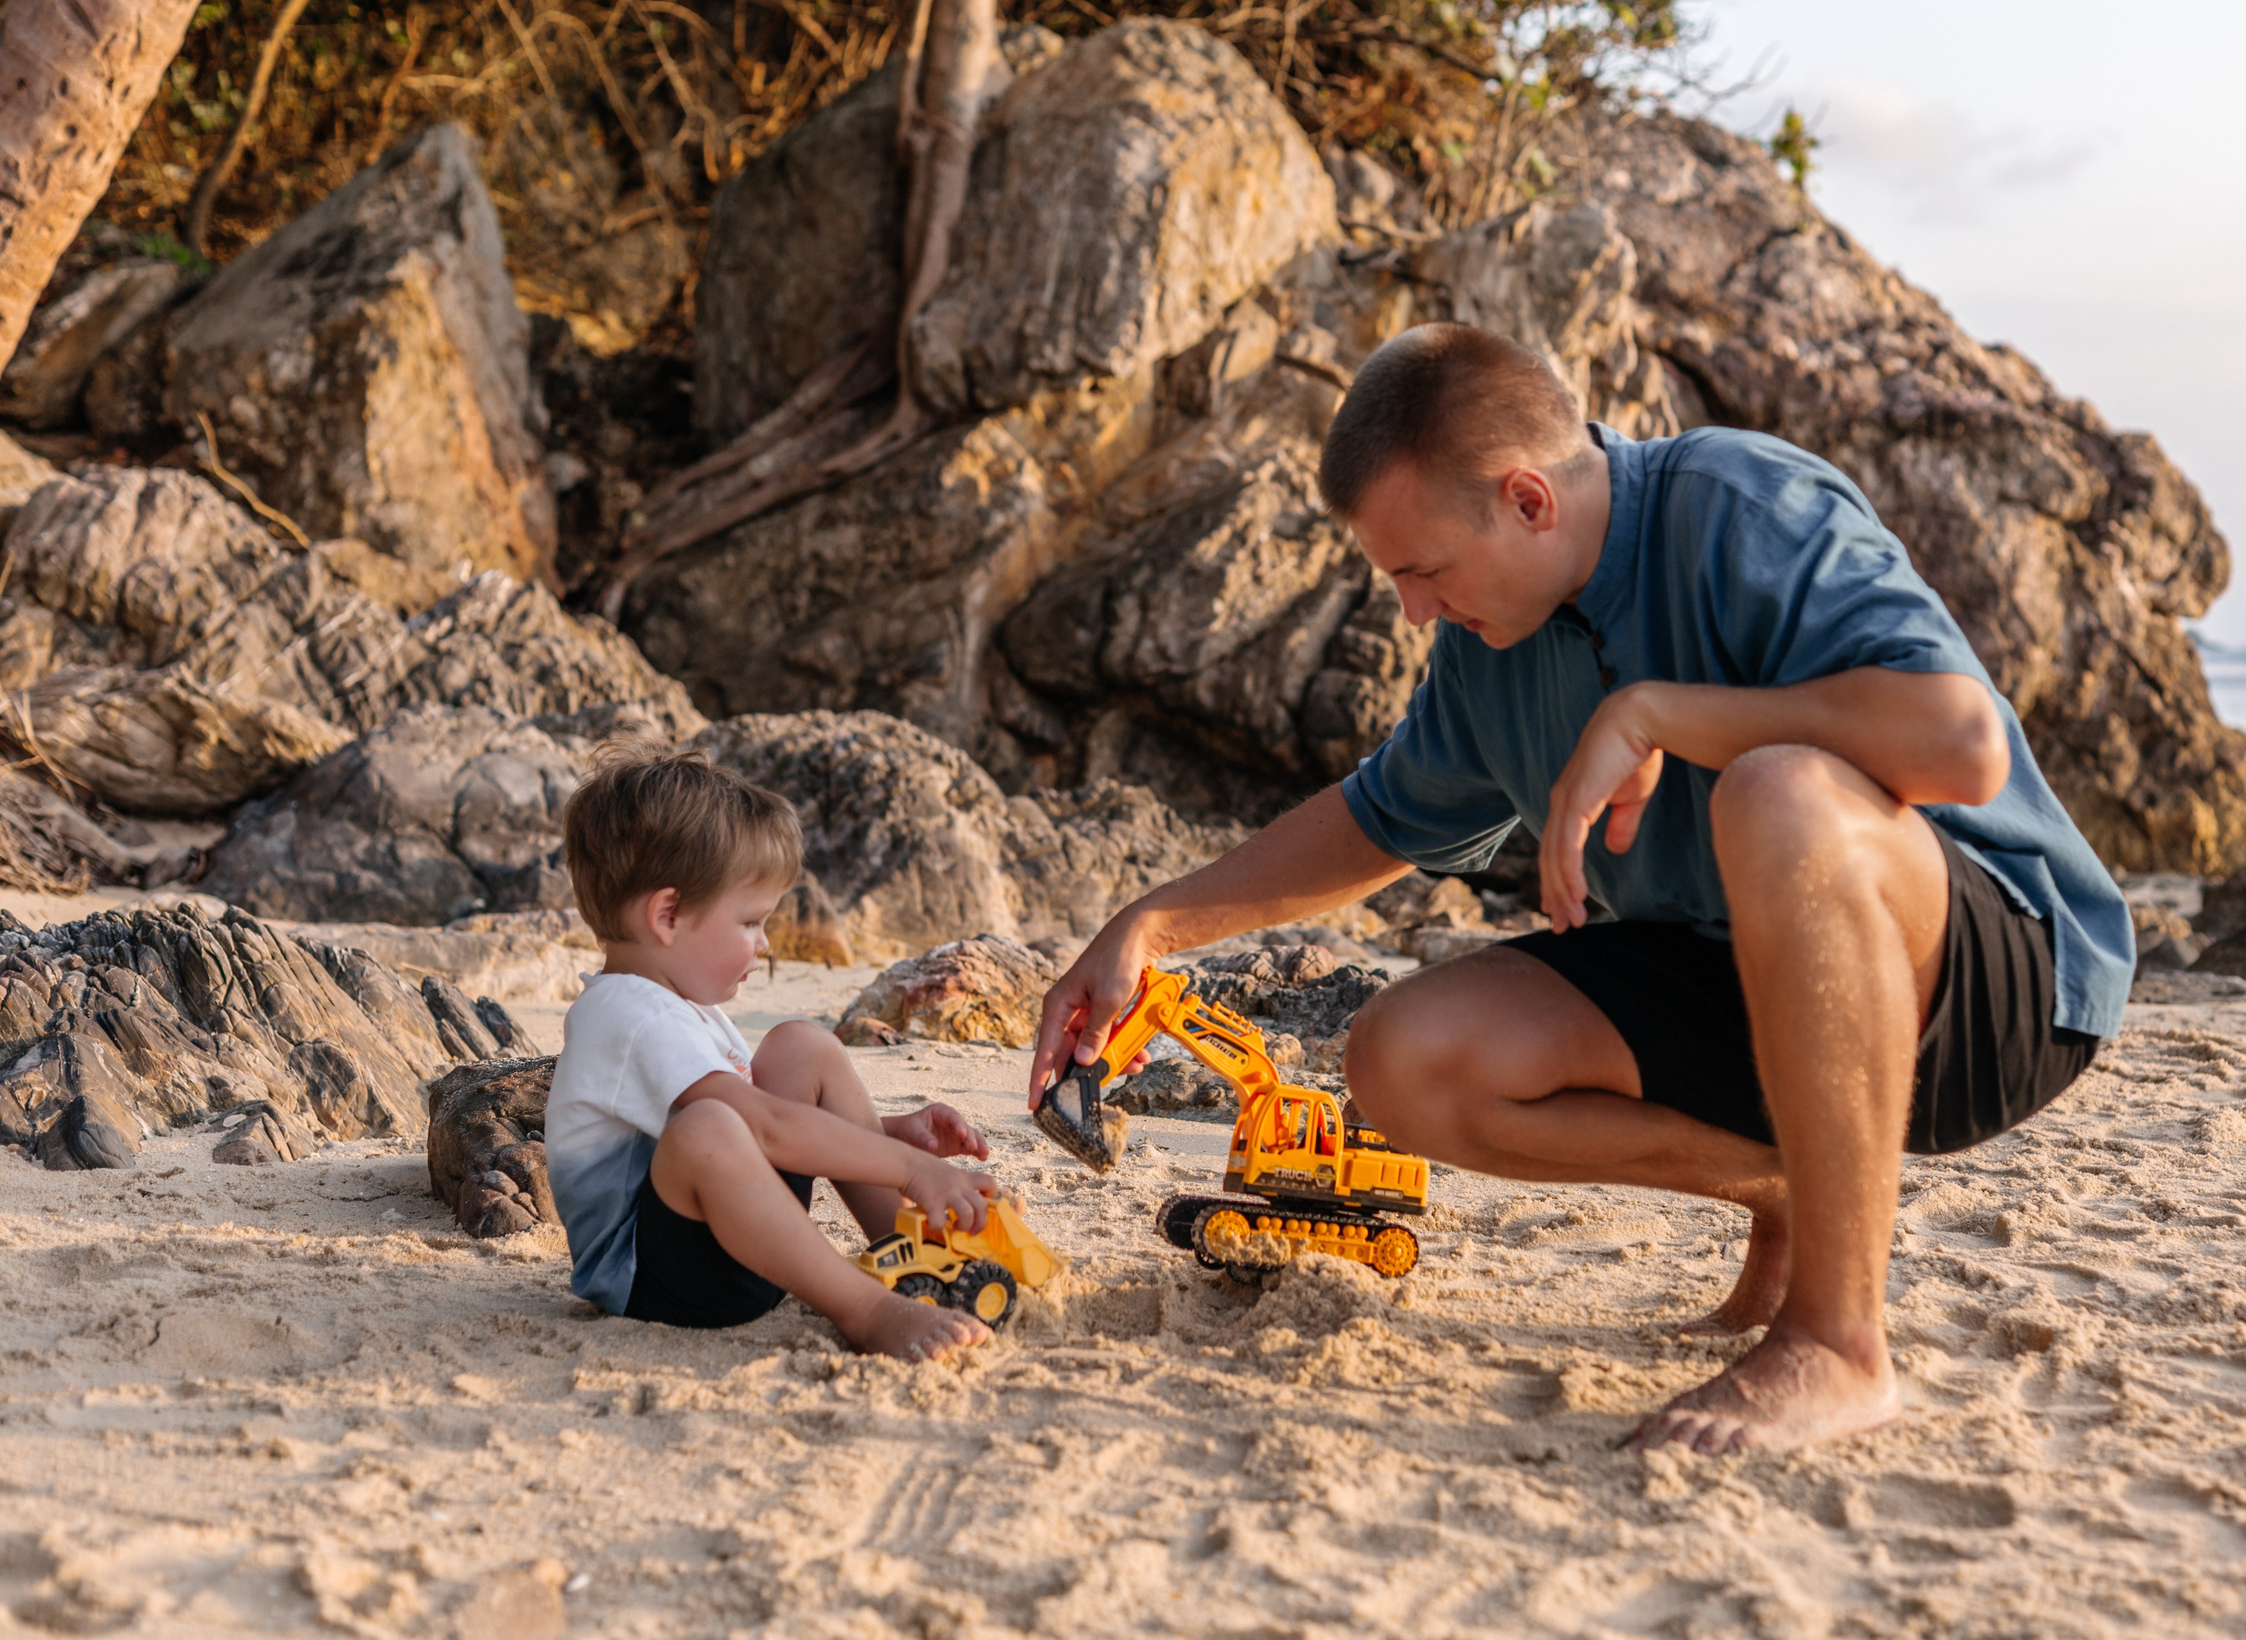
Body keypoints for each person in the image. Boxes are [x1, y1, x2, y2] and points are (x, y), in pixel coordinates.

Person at [1028, 323, 2133, 1453]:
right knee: (1404, 1058)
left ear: (1526, 501)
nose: (1413, 612)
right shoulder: (1485, 644)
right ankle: (1797, 1197)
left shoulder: (1737, 503)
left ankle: (1838, 1346)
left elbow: (1957, 744)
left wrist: (1653, 713)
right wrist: (1149, 927)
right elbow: (1377, 819)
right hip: (1748, 989)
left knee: (1777, 795)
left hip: (1990, 981)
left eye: (1423, 572)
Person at [546, 745, 1000, 1361]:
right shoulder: (627, 1014)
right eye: (751, 922)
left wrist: (893, 1136)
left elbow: (768, 1126)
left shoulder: (681, 1005)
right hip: (661, 1282)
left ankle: (911, 1252)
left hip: (742, 1240)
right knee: (706, 1127)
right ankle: (866, 1309)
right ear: (669, 914)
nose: (764, 945)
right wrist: (910, 1167)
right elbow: (760, 1129)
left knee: (801, 1047)